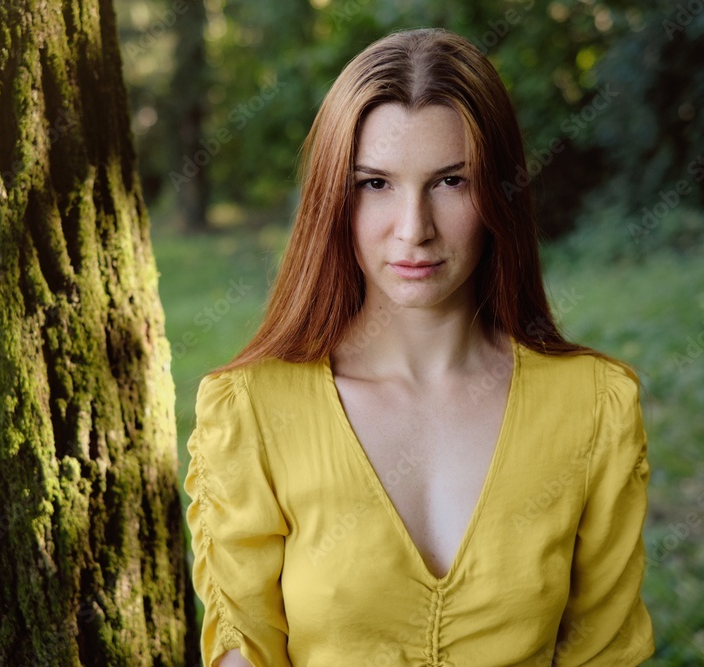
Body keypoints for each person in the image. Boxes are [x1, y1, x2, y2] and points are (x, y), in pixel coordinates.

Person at [183, 27, 653, 667]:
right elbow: (245, 651)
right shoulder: (251, 412)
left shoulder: (594, 406)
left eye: (451, 181)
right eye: (375, 184)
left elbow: (603, 652)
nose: (414, 230)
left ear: (499, 192)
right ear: (333, 197)